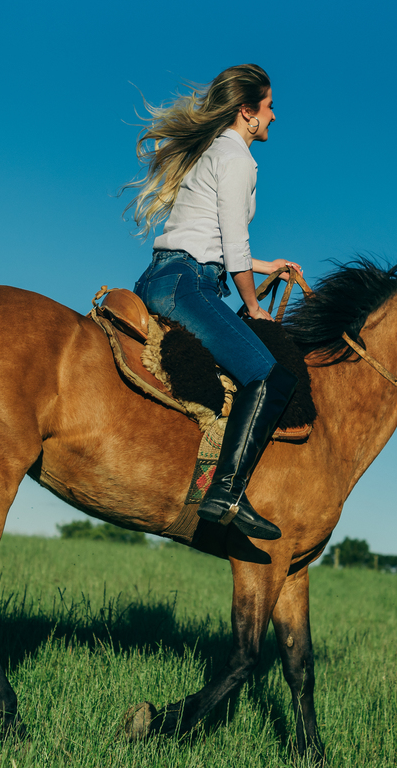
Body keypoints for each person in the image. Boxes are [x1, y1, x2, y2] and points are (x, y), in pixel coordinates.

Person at [126, 64, 299, 541]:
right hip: (189, 283)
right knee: (269, 375)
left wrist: (266, 268)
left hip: (166, 276)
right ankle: (226, 493)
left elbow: (212, 236)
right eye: (268, 107)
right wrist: (254, 304)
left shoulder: (212, 152)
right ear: (247, 112)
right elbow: (233, 238)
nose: (274, 117)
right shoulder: (238, 157)